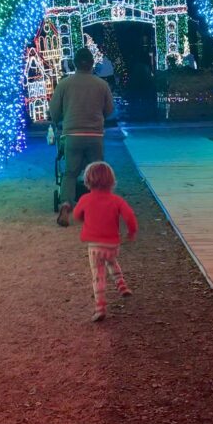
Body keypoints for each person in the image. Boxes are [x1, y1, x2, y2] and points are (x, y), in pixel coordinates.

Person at [49, 46, 114, 227]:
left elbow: (54, 112)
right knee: (96, 174)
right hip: (94, 135)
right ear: (92, 64)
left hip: (72, 135)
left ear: (75, 64)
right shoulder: (102, 85)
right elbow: (109, 110)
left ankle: (66, 204)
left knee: (70, 173)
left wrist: (61, 119)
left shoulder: (64, 84)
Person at [73, 161, 138, 322]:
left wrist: (85, 219)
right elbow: (129, 216)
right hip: (112, 244)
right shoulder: (116, 200)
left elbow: (76, 215)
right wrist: (131, 231)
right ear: (111, 180)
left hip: (95, 245)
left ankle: (100, 307)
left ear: (87, 180)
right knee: (111, 260)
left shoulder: (85, 199)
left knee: (98, 275)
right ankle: (121, 284)